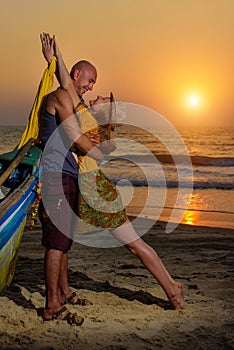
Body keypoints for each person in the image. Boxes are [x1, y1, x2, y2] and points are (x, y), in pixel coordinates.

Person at [40, 33, 185, 312]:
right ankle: (170, 288)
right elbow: (68, 81)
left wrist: (92, 150)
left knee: (133, 244)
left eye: (105, 99)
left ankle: (172, 289)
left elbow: (70, 85)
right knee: (129, 244)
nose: (99, 94)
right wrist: (55, 57)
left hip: (98, 191)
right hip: (91, 188)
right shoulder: (83, 114)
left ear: (105, 114)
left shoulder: (89, 123)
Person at [38, 34, 105, 324]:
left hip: (66, 174)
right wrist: (102, 155)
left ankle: (63, 292)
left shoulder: (70, 96)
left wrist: (56, 57)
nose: (90, 88)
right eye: (89, 82)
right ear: (77, 75)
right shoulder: (61, 97)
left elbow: (64, 75)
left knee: (64, 240)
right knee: (56, 242)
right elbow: (76, 139)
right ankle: (52, 304)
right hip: (55, 177)